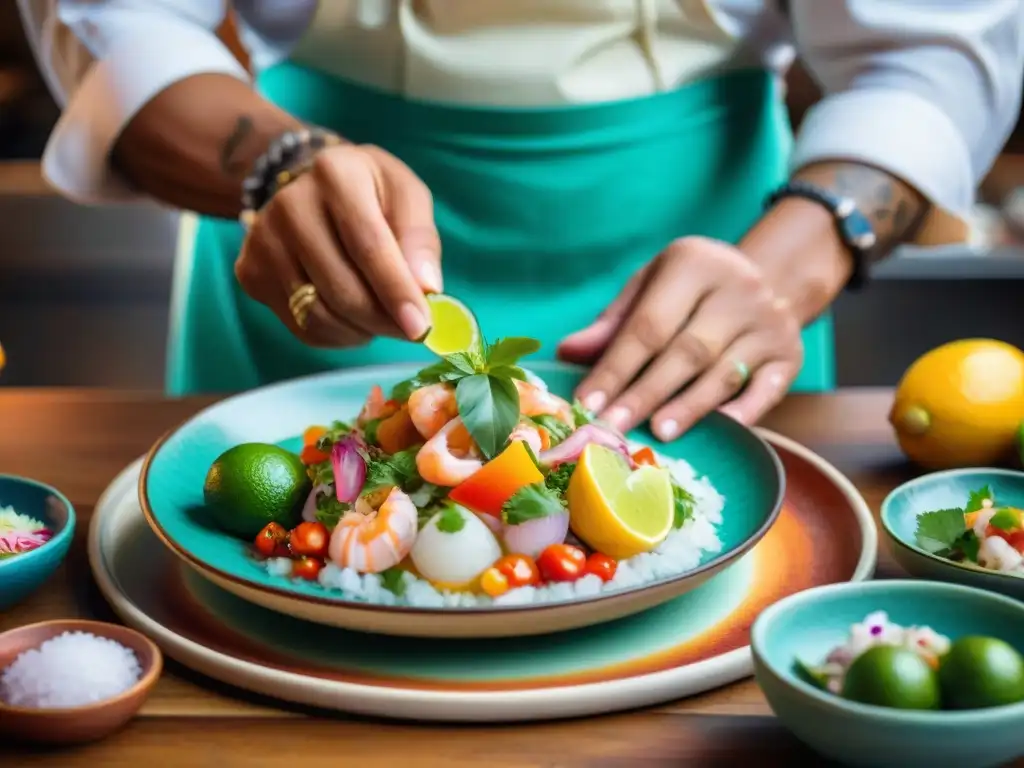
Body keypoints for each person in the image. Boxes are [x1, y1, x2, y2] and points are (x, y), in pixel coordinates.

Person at [17, 1, 1024, 441]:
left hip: (722, 253)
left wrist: (791, 261)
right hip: (307, 252)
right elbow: (118, 21)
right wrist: (280, 166)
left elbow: (926, 58)